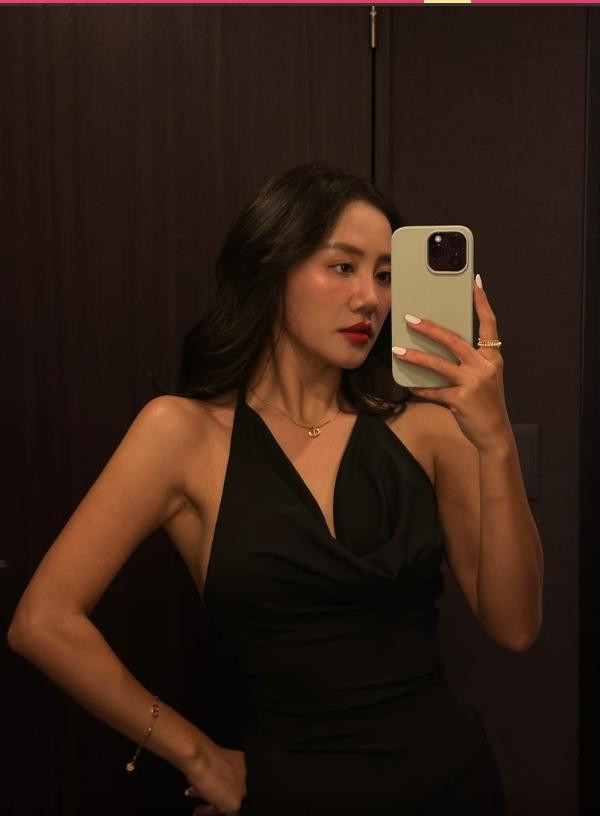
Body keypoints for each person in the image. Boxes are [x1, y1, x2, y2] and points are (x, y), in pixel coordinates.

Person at [8, 162, 536, 816]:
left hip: (451, 785)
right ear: (271, 267)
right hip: (288, 792)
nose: (370, 298)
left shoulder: (427, 430)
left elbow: (515, 626)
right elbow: (43, 622)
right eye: (342, 266)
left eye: (384, 275)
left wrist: (496, 439)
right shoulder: (181, 434)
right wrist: (197, 755)